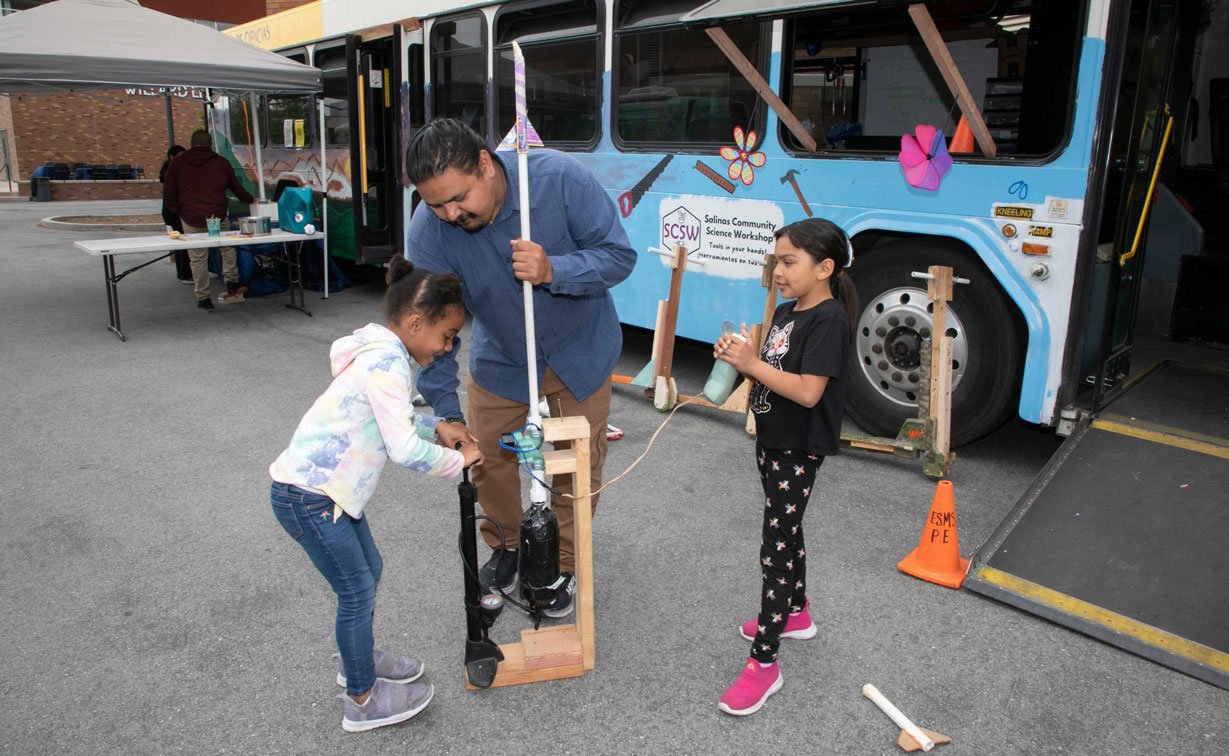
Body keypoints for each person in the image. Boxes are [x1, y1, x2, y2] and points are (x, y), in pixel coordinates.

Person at [404, 118, 636, 617]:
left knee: (576, 465)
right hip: (504, 359)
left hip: (580, 352)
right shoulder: (430, 230)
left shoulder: (559, 180)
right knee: (488, 460)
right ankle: (509, 544)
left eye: (458, 198)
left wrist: (556, 269)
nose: (448, 213)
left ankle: (564, 565)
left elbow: (619, 257)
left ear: (484, 164)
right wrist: (444, 410)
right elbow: (428, 329)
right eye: (435, 203)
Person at [269, 256, 483, 733]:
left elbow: (394, 420)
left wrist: (439, 425)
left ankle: (359, 660)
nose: (448, 348)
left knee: (370, 572)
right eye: (446, 337)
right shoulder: (389, 364)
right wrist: (457, 461)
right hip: (311, 498)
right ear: (413, 323)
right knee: (356, 589)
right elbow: (403, 447)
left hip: (327, 495)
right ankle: (361, 699)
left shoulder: (379, 353)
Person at [710, 218, 858, 716]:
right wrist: (740, 358)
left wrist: (753, 365)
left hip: (799, 448)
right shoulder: (788, 312)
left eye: (790, 261)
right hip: (773, 441)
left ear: (825, 268)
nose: (778, 270)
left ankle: (764, 664)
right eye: (776, 260)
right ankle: (797, 613)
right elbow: (772, 371)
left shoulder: (829, 320)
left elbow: (809, 390)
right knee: (786, 527)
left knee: (776, 545)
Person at [162, 129, 255, 312]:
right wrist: (251, 199)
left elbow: (168, 193)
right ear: (210, 144)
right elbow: (236, 188)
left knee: (197, 259)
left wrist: (180, 211)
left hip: (191, 217)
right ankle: (231, 282)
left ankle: (203, 297)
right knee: (227, 249)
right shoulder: (221, 162)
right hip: (217, 215)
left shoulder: (177, 163)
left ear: (191, 143)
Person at [158, 144, 191, 284]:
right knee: (181, 243)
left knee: (182, 242)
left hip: (174, 211)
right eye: (181, 156)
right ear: (172, 157)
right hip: (173, 212)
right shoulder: (171, 172)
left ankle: (185, 273)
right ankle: (184, 274)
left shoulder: (173, 170)